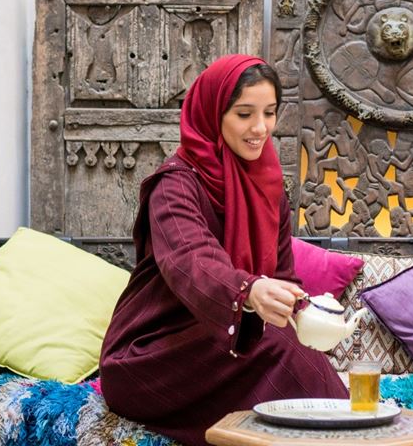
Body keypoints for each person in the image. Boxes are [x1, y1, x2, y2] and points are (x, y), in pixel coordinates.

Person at [99, 55, 348, 446]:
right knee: (273, 345)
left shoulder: (268, 185)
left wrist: (303, 307)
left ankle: (349, 432)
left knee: (288, 364)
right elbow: (189, 259)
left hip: (223, 346)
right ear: (214, 113)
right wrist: (248, 291)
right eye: (244, 114)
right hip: (148, 357)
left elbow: (283, 275)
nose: (260, 128)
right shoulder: (175, 185)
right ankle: (353, 435)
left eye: (269, 113)